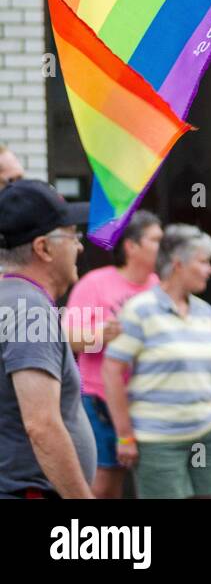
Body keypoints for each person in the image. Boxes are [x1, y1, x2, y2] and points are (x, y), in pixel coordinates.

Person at [102, 224, 211, 499]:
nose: (210, 270)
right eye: (203, 262)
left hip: (207, 434)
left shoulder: (206, 312)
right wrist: (125, 436)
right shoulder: (139, 310)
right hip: (158, 442)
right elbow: (111, 371)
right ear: (179, 264)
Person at [0, 180, 94, 499]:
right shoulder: (30, 310)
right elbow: (41, 425)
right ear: (43, 248)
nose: (80, 246)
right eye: (71, 235)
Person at [64, 210, 162, 498]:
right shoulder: (95, 284)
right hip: (100, 400)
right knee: (105, 481)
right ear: (131, 246)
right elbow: (65, 339)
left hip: (150, 399)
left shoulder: (159, 285)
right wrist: (100, 336)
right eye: (156, 239)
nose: (164, 246)